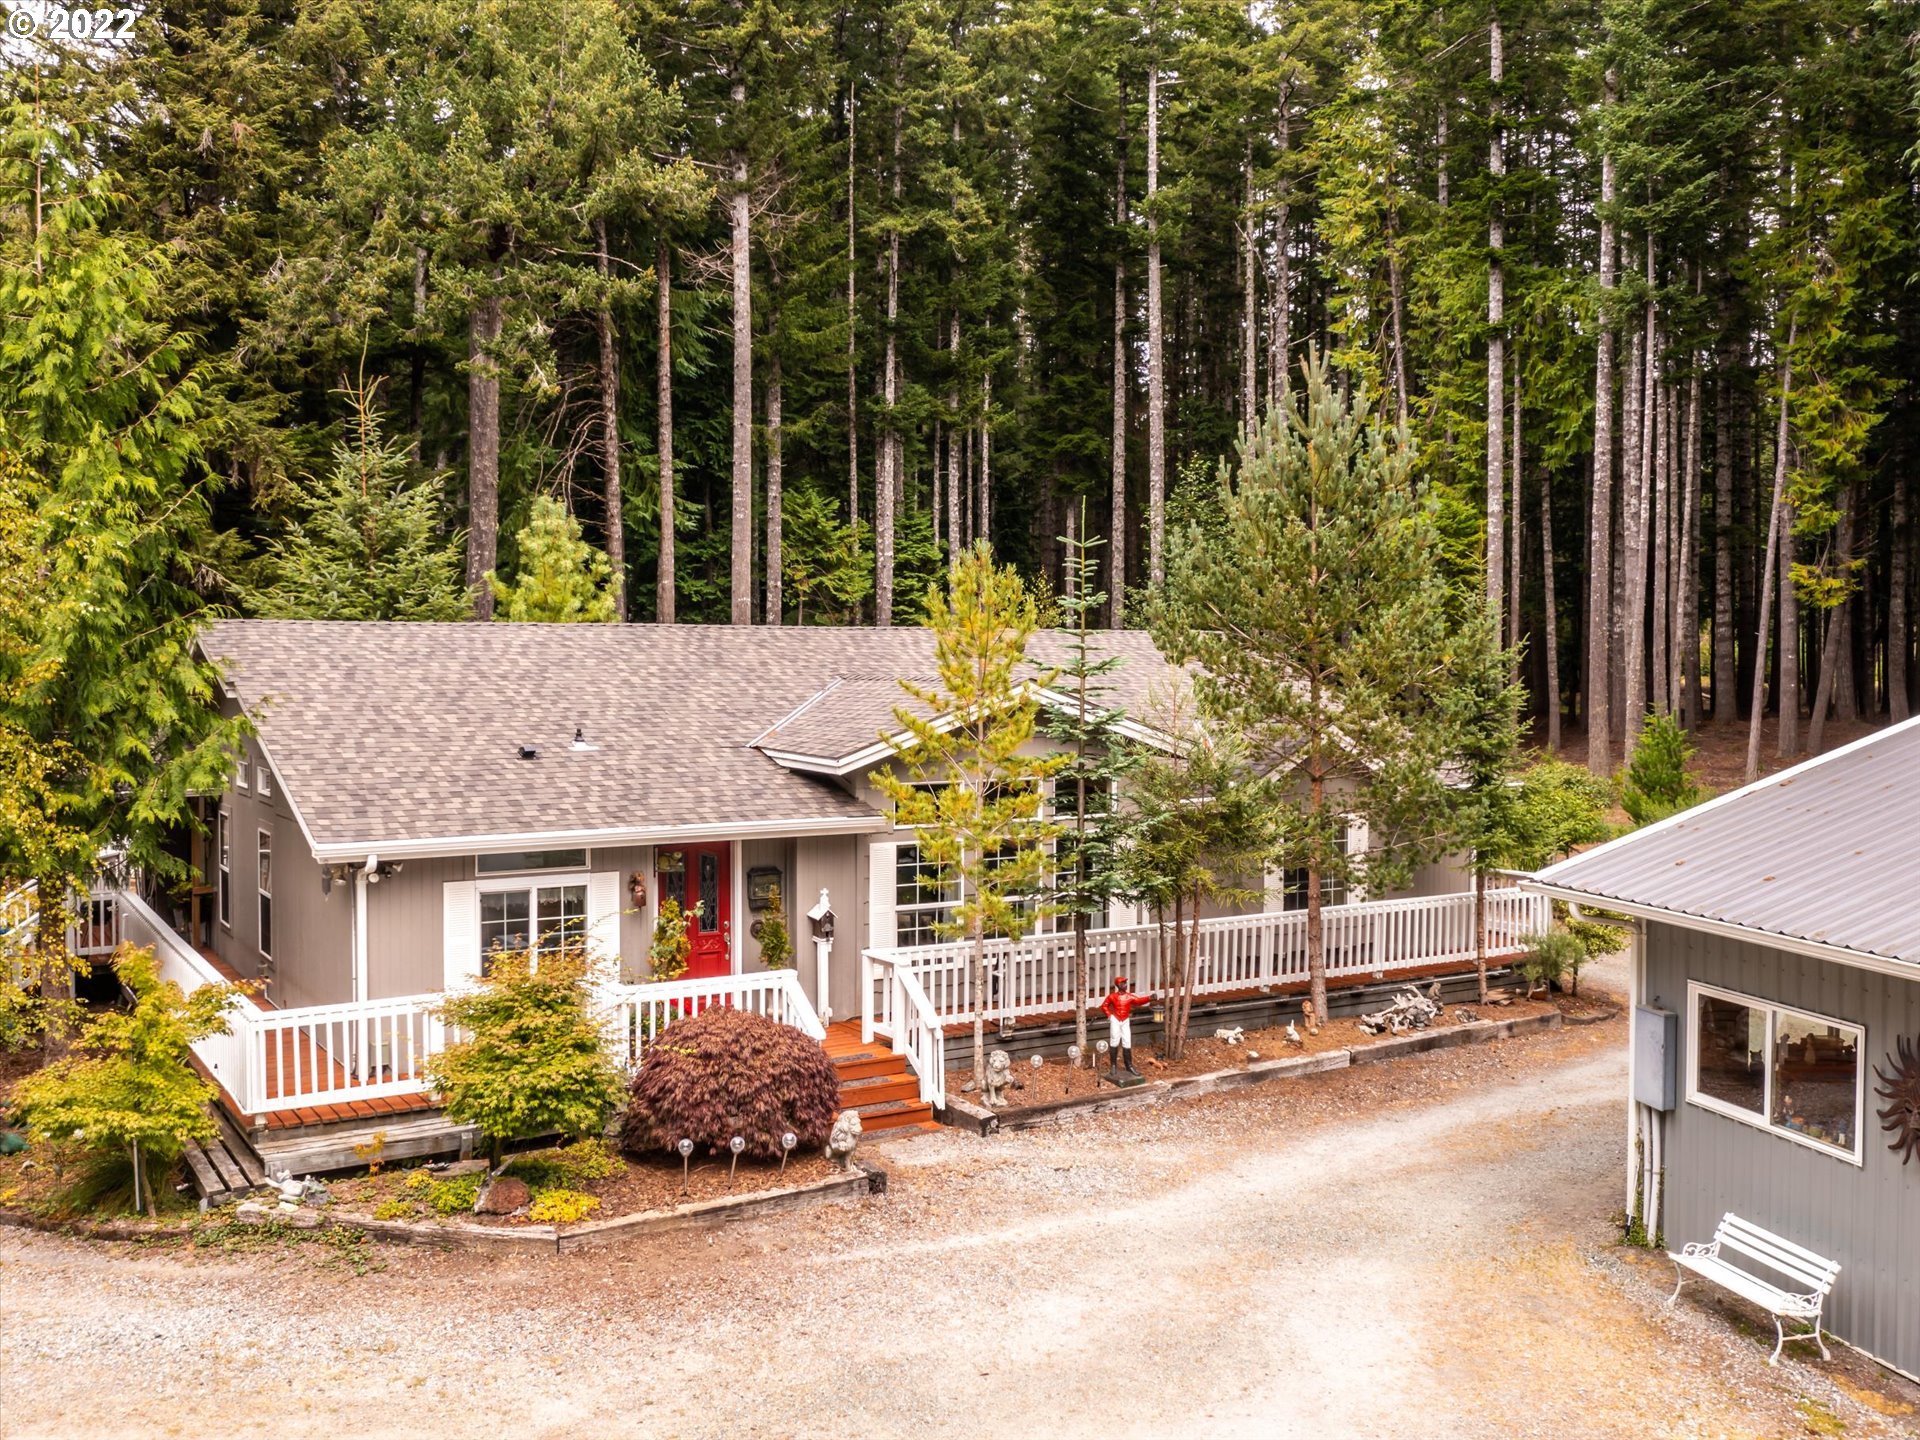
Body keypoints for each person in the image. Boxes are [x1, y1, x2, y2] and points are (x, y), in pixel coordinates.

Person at [1097, 976, 1154, 1079]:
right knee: (1114, 1040)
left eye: (1125, 983)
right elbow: (1104, 1006)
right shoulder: (1112, 996)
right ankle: (1113, 1066)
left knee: (1127, 1041)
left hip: (1125, 1020)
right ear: (1118, 985)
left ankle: (1129, 1066)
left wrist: (1149, 998)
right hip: (1115, 1020)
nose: (1125, 985)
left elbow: (1138, 1001)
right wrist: (1109, 1015)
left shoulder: (1129, 996)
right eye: (1123, 983)